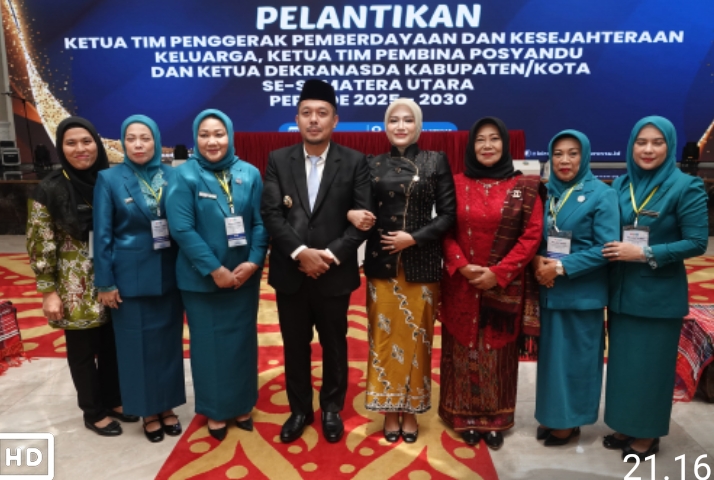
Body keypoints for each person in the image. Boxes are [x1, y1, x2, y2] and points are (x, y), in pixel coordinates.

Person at [261, 79, 372, 444]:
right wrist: (300, 253)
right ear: (296, 119)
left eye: (321, 113)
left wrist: (330, 254)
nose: (313, 120)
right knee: (295, 346)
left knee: (335, 344)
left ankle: (331, 409)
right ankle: (299, 410)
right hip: (290, 272)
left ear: (334, 120)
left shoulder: (354, 162)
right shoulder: (278, 160)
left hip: (333, 273)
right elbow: (272, 214)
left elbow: (363, 218)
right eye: (306, 113)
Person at [346, 98, 455, 443]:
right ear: (385, 126)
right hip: (382, 264)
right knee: (383, 338)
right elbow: (357, 207)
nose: (401, 126)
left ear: (419, 125)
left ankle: (411, 410)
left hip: (422, 264)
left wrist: (414, 238)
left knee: (418, 339)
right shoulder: (371, 164)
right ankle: (390, 411)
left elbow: (448, 215)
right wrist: (351, 213)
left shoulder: (436, 160)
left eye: (408, 120)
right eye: (394, 120)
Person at [602, 116, 708, 460]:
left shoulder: (685, 186)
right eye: (641, 142)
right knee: (624, 367)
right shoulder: (621, 184)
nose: (648, 149)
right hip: (621, 292)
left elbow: (696, 242)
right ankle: (625, 424)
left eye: (657, 143)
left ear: (669, 146)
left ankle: (647, 434)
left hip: (658, 297)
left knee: (651, 370)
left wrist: (645, 253)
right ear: (631, 145)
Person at [26, 116, 137, 436]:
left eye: (87, 141)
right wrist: (48, 291)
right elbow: (40, 242)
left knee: (113, 345)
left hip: (114, 278)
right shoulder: (49, 189)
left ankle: (114, 399)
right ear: (60, 147)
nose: (80, 149)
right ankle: (93, 411)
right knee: (83, 352)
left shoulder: (110, 180)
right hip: (74, 286)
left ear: (97, 144)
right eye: (71, 143)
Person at [438, 117, 543, 450]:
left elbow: (531, 235)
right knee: (462, 349)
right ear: (471, 146)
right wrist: (461, 265)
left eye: (494, 138)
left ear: (504, 144)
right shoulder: (454, 183)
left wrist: (499, 272)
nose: (487, 145)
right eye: (480, 139)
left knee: (497, 352)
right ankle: (462, 416)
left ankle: (496, 419)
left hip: (505, 285)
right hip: (462, 283)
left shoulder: (524, 186)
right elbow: (444, 229)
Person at [166, 109, 268, 442]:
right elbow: (182, 229)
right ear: (195, 138)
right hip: (202, 280)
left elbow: (260, 222)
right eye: (205, 135)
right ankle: (214, 409)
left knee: (241, 342)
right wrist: (216, 270)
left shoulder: (249, 173)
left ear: (230, 136)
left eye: (219, 134)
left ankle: (242, 404)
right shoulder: (184, 175)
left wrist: (253, 262)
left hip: (243, 278)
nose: (212, 141)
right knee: (208, 346)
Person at [93, 115, 186, 443]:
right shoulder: (109, 179)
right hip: (129, 278)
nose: (138, 144)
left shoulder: (173, 175)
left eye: (145, 138)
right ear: (122, 142)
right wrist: (105, 282)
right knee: (136, 348)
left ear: (156, 140)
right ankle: (148, 411)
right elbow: (102, 235)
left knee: (168, 345)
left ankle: (167, 405)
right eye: (131, 138)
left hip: (170, 274)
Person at [532, 130, 619, 446]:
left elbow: (607, 248)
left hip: (582, 291)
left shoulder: (601, 193)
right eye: (558, 154)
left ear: (585, 156)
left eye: (573, 153)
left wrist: (560, 267)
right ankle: (553, 415)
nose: (564, 160)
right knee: (552, 360)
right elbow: (537, 236)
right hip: (550, 288)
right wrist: (538, 261)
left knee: (577, 360)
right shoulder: (547, 193)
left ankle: (571, 421)